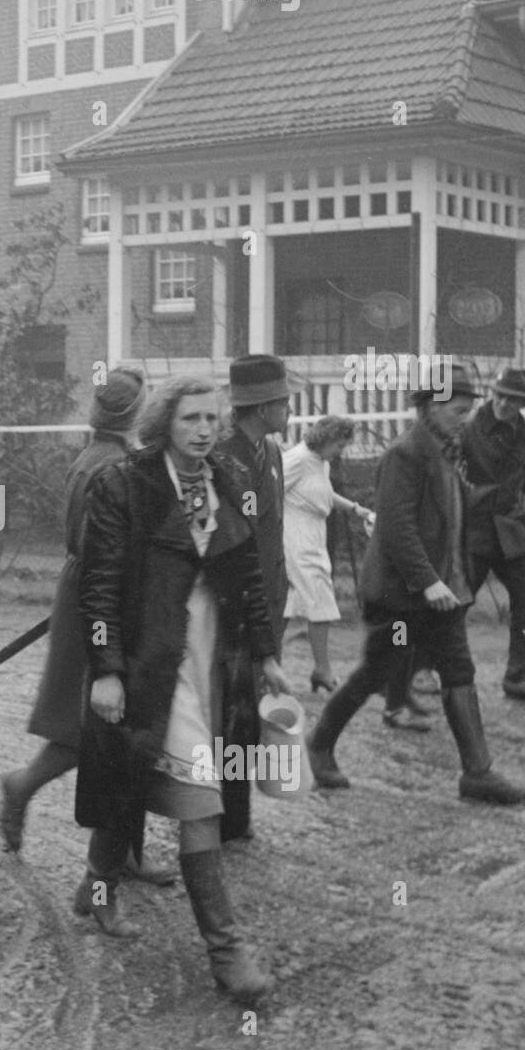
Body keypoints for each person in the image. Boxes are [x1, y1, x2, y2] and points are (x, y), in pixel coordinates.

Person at [73, 377, 292, 1005]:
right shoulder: (127, 485)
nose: (203, 429)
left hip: (208, 661)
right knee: (200, 799)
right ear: (166, 422)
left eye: (212, 419)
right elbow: (100, 584)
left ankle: (97, 883)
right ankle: (228, 956)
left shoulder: (226, 481)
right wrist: (108, 669)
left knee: (132, 776)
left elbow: (246, 572)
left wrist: (267, 655)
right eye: (191, 417)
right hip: (149, 662)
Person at [306, 363, 525, 805]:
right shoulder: (406, 453)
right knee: (378, 670)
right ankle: (319, 744)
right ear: (431, 404)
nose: (464, 418)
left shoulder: (445, 450)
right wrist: (427, 581)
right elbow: (396, 526)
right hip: (403, 599)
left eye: (469, 410)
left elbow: (451, 512)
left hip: (442, 595)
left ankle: (478, 774)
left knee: (458, 671)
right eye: (458, 409)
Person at [0, 368, 171, 884]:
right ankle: (22, 786)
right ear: (136, 417)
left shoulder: (95, 458)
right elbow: (111, 555)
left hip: (87, 597)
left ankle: (125, 848)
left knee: (114, 731)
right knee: (96, 729)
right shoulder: (116, 468)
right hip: (104, 605)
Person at [383, 367, 525, 714]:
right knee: (452, 605)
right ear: (492, 393)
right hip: (471, 532)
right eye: (500, 395)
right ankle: (420, 669)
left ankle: (519, 676)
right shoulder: (467, 427)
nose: (505, 403)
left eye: (514, 399)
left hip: (510, 532)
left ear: (523, 402)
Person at [212, 353, 292, 842]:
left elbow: (271, 531)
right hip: (235, 607)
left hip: (268, 602)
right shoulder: (224, 458)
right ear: (262, 407)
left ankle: (236, 818)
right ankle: (225, 816)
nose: (290, 408)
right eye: (284, 400)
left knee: (251, 708)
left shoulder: (273, 453)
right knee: (233, 711)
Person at [280, 415, 377, 695]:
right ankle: (321, 670)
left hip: (313, 534)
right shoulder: (298, 458)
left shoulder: (320, 462)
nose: (340, 451)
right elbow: (268, 492)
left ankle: (277, 666)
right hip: (295, 536)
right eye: (338, 444)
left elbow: (325, 494)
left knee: (291, 603)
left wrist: (357, 509)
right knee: (318, 600)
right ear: (324, 438)